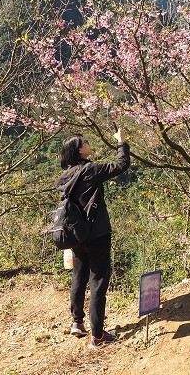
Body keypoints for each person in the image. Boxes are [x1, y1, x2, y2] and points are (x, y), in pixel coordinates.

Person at [55, 127, 130, 349]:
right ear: (80, 151)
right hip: (97, 234)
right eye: (85, 142)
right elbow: (121, 165)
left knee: (79, 277)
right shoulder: (91, 170)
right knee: (98, 281)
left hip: (76, 236)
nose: (89, 144)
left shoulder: (64, 177)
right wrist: (121, 142)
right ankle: (97, 336)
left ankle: (77, 322)